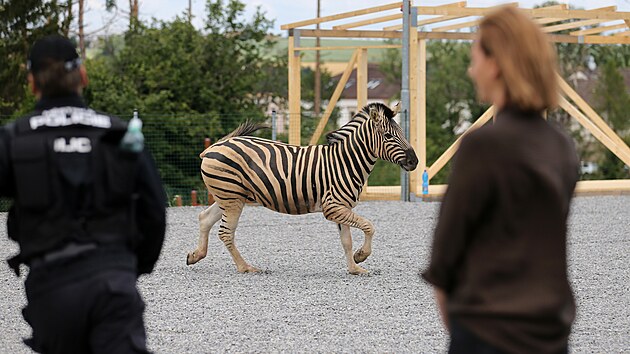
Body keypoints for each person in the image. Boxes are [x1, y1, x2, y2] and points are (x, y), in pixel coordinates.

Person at [421, 6, 579, 354]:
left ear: (495, 64)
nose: (470, 68)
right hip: (552, 334)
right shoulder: (563, 148)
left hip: (486, 334)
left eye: (475, 56)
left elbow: (445, 258)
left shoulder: (482, 147)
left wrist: (466, 331)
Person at [0, 35, 167, 353]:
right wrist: (132, 266)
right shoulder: (119, 135)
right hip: (115, 284)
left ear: (32, 83)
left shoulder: (13, 139)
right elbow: (155, 210)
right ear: (84, 77)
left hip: (52, 291)